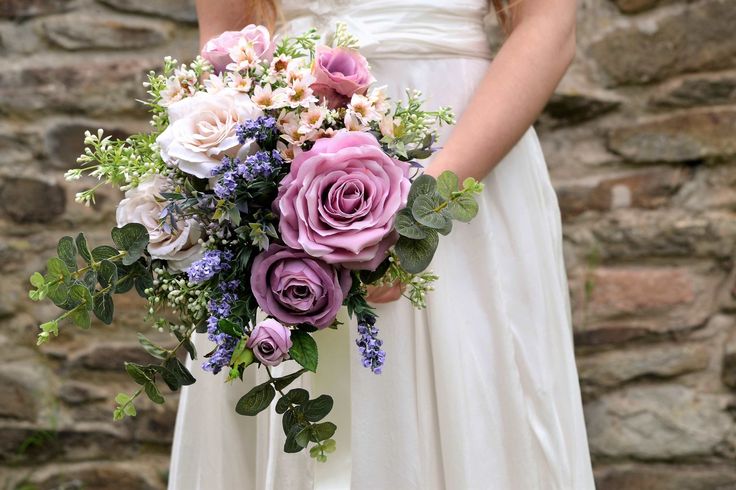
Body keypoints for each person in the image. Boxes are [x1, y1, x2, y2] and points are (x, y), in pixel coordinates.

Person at [168, 0, 596, 488]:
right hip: (287, 158)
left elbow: (549, 24)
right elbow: (224, 45)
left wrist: (422, 207)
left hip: (465, 150)